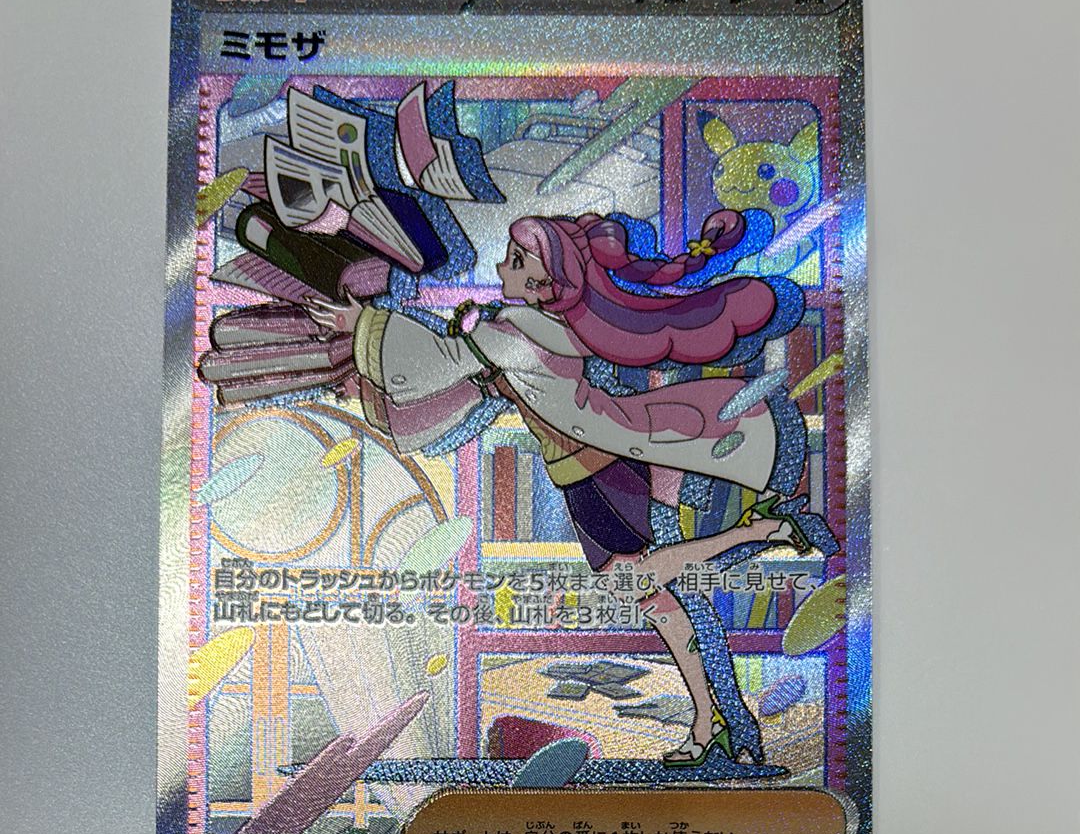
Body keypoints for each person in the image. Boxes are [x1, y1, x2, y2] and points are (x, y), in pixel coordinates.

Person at [305, 209, 832, 768]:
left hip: (604, 476)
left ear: (544, 282)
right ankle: (713, 723)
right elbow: (475, 383)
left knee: (644, 585)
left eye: (516, 261)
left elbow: (438, 362)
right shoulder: (536, 330)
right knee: (658, 602)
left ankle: (763, 533)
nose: (502, 270)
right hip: (585, 479)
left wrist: (363, 327)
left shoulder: (519, 330)